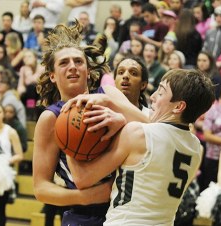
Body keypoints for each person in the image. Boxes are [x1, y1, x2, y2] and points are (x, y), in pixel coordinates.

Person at [64, 69, 216, 225]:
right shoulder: (196, 148)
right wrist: (110, 104)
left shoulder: (139, 134)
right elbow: (158, 127)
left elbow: (82, 178)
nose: (153, 96)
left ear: (179, 107)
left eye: (161, 92)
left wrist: (68, 139)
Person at [33, 21, 147, 226]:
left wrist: (119, 117)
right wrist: (86, 196)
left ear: (88, 69)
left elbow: (153, 129)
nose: (72, 67)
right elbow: (41, 188)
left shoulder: (109, 95)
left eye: (78, 61)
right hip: (83, 215)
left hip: (128, 211)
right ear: (52, 75)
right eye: (64, 63)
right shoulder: (51, 118)